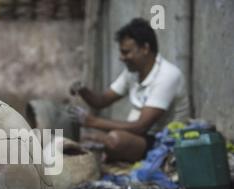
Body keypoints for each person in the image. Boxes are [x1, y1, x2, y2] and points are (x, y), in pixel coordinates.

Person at [70, 18, 190, 162]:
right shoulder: (132, 72)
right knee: (90, 138)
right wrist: (83, 90)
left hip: (165, 141)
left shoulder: (167, 75)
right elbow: (101, 101)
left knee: (115, 140)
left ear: (145, 49)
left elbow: (141, 126)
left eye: (126, 52)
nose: (121, 58)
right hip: (142, 136)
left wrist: (92, 122)